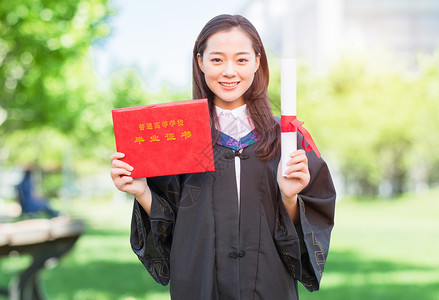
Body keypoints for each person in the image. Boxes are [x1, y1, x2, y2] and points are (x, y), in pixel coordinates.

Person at [110, 14, 335, 300]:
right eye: (217, 60)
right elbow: (169, 232)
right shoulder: (177, 135)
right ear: (200, 62)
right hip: (200, 288)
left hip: (268, 288)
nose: (229, 71)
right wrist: (142, 191)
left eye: (241, 59)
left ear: (257, 61)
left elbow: (310, 230)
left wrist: (289, 199)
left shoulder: (288, 139)